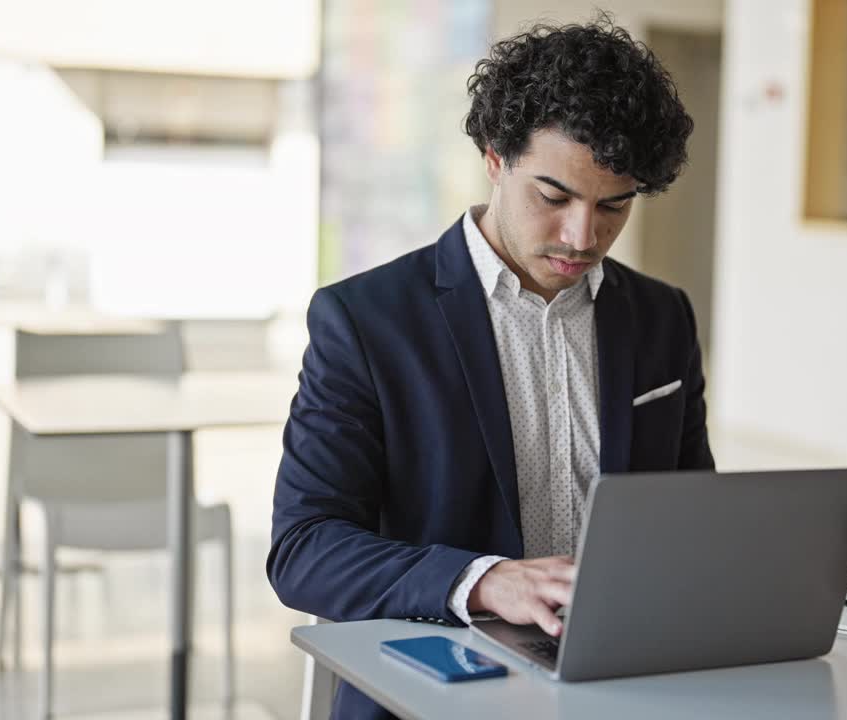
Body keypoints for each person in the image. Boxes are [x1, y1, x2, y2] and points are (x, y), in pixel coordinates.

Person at [268, 14, 713, 719]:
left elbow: (693, 515)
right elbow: (305, 550)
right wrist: (485, 581)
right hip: (435, 685)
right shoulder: (366, 321)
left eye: (614, 206)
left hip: (622, 684)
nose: (583, 236)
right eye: (554, 196)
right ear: (495, 158)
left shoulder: (662, 318)